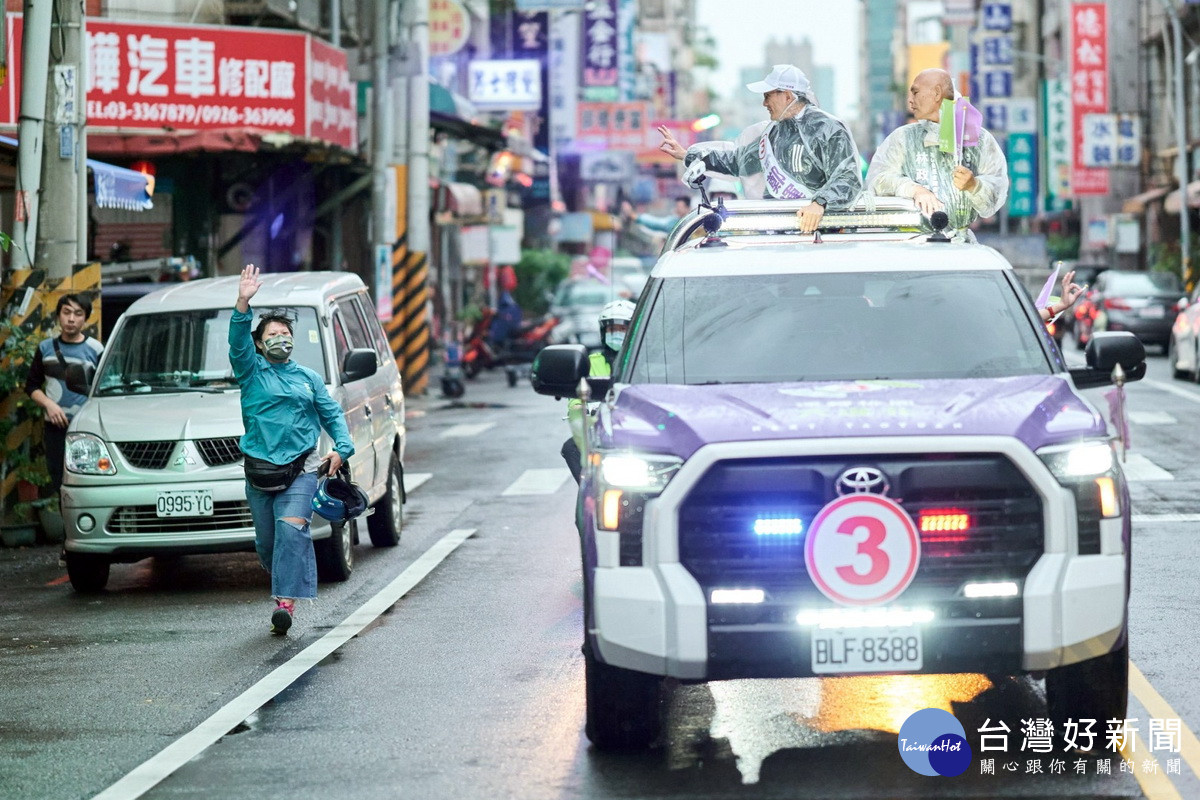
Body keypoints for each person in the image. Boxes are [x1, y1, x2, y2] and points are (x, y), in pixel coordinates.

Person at [231, 264, 354, 635]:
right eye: (272, 334)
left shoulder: (309, 378)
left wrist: (342, 449)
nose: (280, 338)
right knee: (268, 542)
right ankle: (283, 580)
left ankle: (285, 604)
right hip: (260, 472)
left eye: (285, 333)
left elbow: (332, 416)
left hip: (301, 470)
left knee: (291, 530)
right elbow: (236, 342)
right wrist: (242, 302)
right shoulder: (250, 373)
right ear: (259, 342)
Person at [656, 64, 862, 232]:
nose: (764, 103)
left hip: (824, 231)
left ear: (788, 96)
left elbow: (847, 178)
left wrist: (820, 203)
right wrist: (687, 155)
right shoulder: (773, 133)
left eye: (768, 96)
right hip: (779, 231)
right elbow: (738, 161)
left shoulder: (829, 128)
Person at [865, 68, 1009, 239]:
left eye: (915, 92)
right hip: (907, 244)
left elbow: (994, 195)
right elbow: (877, 181)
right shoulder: (902, 138)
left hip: (959, 248)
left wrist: (974, 185)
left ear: (937, 93)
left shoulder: (979, 139)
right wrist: (914, 189)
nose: (910, 101)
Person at [25, 295, 104, 495]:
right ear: (58, 316)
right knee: (59, 482)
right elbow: (31, 386)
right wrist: (49, 405)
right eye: (66, 312)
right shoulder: (45, 348)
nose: (71, 319)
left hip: (86, 429)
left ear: (85, 318)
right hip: (55, 428)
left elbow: (103, 389)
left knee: (88, 483)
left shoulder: (96, 349)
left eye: (78, 314)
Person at [561, 300, 635, 484]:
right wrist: (583, 406)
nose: (616, 333)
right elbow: (576, 401)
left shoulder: (646, 362)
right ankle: (591, 493)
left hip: (635, 428)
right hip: (602, 429)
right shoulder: (590, 362)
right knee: (571, 447)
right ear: (603, 332)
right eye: (611, 329)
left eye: (621, 329)